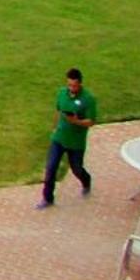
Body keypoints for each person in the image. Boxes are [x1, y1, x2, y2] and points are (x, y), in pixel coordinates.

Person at [38, 67, 98, 207]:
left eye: (74, 85)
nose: (71, 88)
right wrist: (54, 128)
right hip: (59, 138)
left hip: (76, 141)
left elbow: (91, 121)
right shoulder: (62, 93)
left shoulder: (88, 99)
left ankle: (86, 181)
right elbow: (58, 111)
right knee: (51, 167)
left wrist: (76, 122)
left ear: (80, 84)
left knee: (77, 169)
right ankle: (47, 198)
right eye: (69, 84)